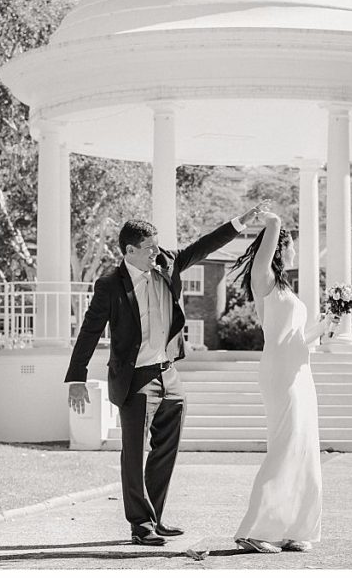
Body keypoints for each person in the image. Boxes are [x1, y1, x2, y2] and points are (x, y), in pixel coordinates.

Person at [65, 201, 269, 546]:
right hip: (135, 379)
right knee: (133, 452)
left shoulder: (167, 264)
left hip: (169, 374)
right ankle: (139, 525)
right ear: (129, 250)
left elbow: (204, 245)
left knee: (166, 449)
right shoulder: (110, 286)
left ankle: (155, 517)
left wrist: (241, 222)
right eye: (148, 249)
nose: (156, 254)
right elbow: (89, 331)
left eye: (157, 247)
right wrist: (76, 378)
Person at [232, 211, 328, 553]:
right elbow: (271, 236)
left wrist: (329, 321)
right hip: (279, 373)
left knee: (304, 449)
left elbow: (300, 337)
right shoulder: (265, 279)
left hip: (301, 371)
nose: (295, 253)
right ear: (280, 248)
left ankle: (293, 528)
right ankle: (254, 530)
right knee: (285, 447)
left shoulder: (287, 289)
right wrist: (272, 221)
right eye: (292, 247)